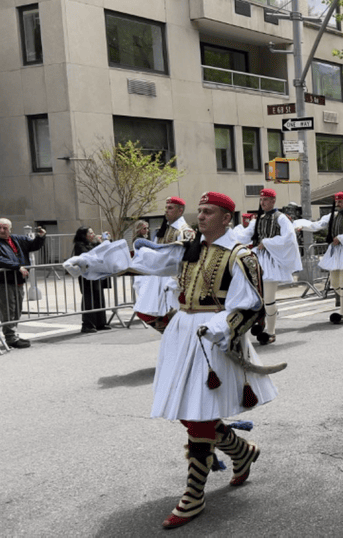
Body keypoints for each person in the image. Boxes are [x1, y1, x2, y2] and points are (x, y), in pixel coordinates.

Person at [64, 192, 279, 529]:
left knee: (198, 414)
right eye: (201, 210)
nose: (201, 216)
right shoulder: (189, 248)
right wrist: (93, 263)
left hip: (213, 338)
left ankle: (194, 492)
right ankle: (240, 450)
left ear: (227, 218)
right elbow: (144, 261)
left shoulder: (241, 256)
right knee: (188, 410)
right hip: (182, 333)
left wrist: (219, 327)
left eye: (209, 212)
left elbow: (249, 305)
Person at [234, 188, 303, 345]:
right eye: (261, 200)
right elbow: (245, 235)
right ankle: (262, 320)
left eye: (265, 200)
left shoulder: (281, 219)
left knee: (269, 300)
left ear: (273, 200)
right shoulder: (258, 218)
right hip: (257, 260)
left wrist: (267, 242)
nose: (262, 202)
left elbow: (289, 239)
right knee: (255, 297)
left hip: (271, 263)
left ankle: (271, 332)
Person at [295, 192, 343, 323]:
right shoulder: (331, 216)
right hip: (335, 253)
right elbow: (318, 225)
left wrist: (341, 238)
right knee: (334, 283)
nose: (338, 204)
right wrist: (303, 226)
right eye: (336, 201)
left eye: (340, 201)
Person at [134, 197, 195, 332]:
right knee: (146, 311)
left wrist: (176, 281)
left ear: (180, 211)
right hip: (159, 279)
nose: (166, 211)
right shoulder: (163, 231)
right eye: (166, 208)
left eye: (170, 208)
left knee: (177, 321)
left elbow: (188, 260)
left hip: (174, 281)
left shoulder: (184, 232)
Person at [0, 219, 45, 348]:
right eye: (0, 228)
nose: (2, 230)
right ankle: (10, 337)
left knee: (17, 310)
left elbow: (33, 246)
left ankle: (13, 335)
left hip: (18, 281)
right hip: (4, 281)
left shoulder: (17, 239)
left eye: (5, 228)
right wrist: (17, 266)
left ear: (10, 229)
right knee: (8, 310)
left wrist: (40, 237)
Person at [72, 227, 111, 333]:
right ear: (84, 235)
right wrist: (98, 244)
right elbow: (88, 256)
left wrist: (102, 242)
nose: (93, 234)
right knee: (89, 298)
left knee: (99, 297)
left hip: (96, 275)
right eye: (90, 233)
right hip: (86, 276)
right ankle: (87, 324)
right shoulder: (79, 245)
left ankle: (100, 323)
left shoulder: (92, 244)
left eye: (93, 232)